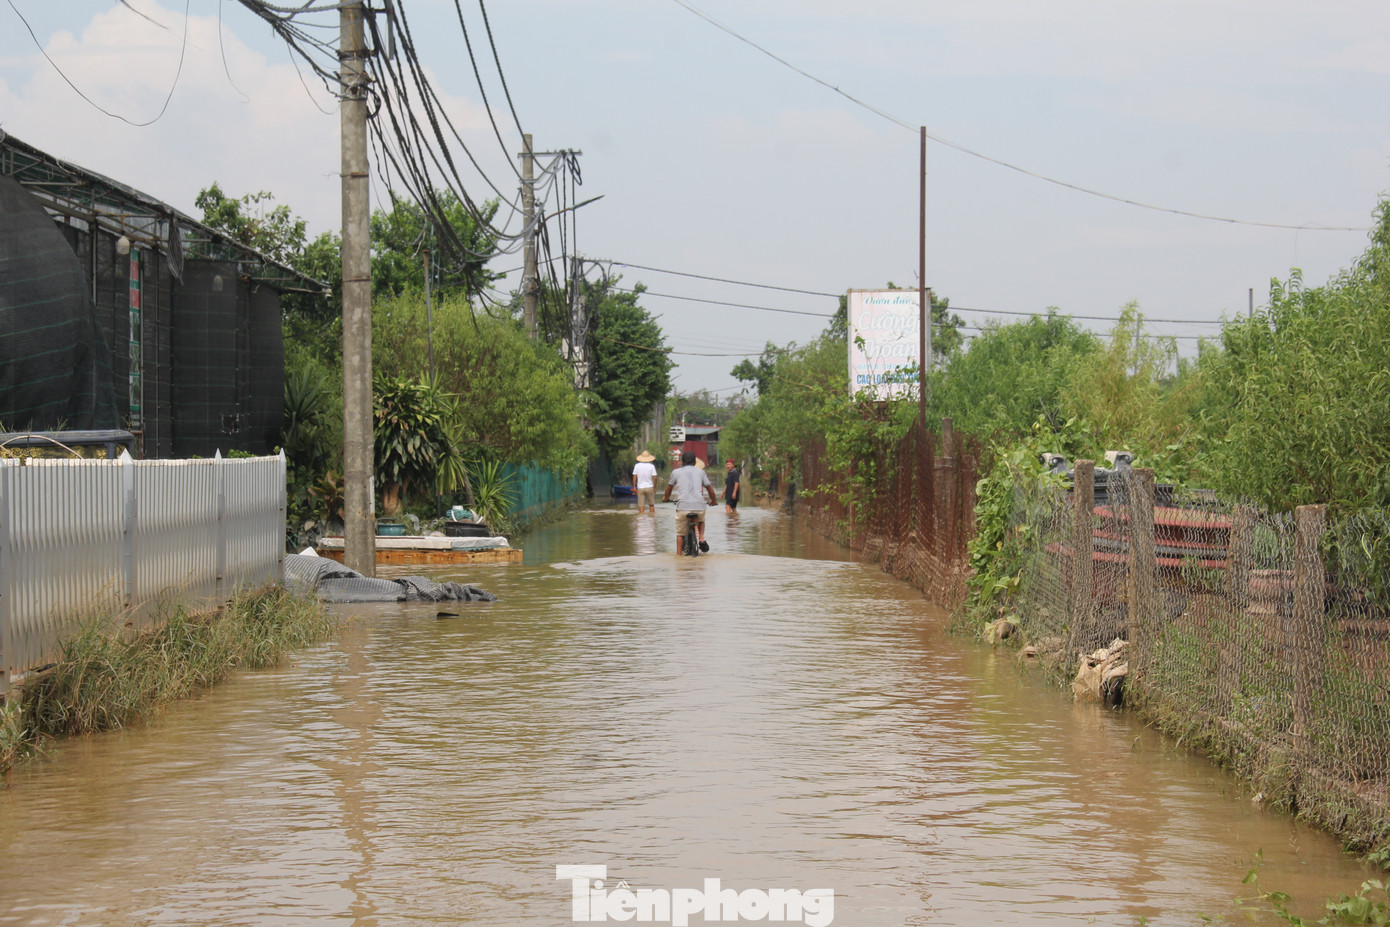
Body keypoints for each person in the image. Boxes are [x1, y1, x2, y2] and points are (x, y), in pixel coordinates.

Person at [663, 450, 716, 553]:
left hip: (682, 507)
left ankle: (678, 557)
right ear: (695, 462)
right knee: (701, 520)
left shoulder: (676, 472)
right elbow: (710, 490)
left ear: (682, 462)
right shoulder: (701, 472)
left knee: (680, 534)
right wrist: (713, 501)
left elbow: (668, 489)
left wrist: (665, 498)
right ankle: (701, 538)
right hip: (699, 506)